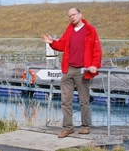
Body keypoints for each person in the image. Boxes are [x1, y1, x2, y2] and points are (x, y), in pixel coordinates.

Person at [41, 8, 102, 138]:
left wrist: (94, 65)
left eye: (74, 15)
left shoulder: (90, 30)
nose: (72, 17)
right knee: (65, 100)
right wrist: (52, 42)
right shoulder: (69, 30)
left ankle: (85, 126)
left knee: (84, 100)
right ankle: (68, 127)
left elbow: (97, 50)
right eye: (69, 16)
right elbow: (62, 45)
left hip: (83, 70)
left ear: (80, 15)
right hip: (68, 69)